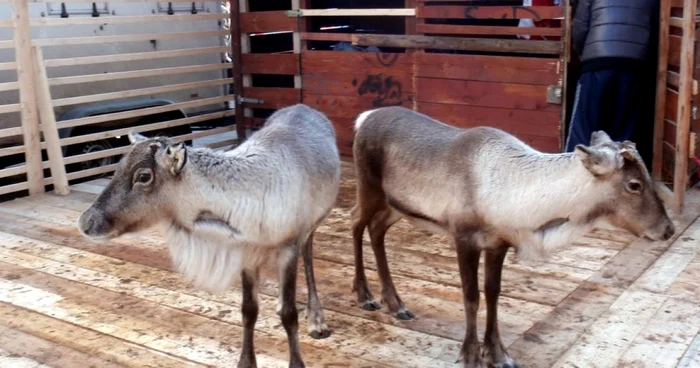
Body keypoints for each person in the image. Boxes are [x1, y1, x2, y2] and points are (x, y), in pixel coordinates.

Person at [565, 0, 660, 168]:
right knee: (623, 131)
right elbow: (655, 28)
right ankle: (619, 182)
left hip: (597, 63)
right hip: (633, 66)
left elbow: (580, 26)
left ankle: (573, 172)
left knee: (583, 127)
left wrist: (583, 53)